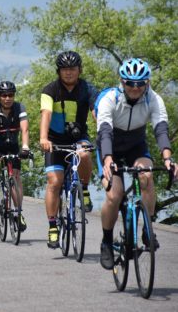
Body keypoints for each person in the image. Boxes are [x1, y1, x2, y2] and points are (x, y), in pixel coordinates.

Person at [96, 58, 177, 270]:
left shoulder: (153, 99)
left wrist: (168, 158)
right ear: (122, 82)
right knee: (114, 194)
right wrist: (107, 160)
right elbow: (104, 131)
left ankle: (147, 229)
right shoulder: (110, 98)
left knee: (146, 176)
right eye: (130, 83)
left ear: (147, 83)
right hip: (110, 146)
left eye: (140, 83)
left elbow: (160, 128)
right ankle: (106, 241)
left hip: (136, 145)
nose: (135, 88)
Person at [39, 51, 98, 249]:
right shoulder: (50, 90)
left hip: (78, 138)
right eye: (65, 69)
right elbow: (46, 114)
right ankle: (53, 227)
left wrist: (104, 132)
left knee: (85, 153)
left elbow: (96, 111)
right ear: (59, 71)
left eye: (73, 69)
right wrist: (43, 138)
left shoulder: (88, 89)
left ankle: (85, 189)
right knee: (54, 183)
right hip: (54, 142)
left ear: (79, 70)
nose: (69, 73)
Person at [0, 81, 30, 231]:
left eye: (10, 95)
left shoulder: (19, 108)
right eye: (4, 95)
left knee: (16, 178)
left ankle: (18, 213)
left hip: (13, 146)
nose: (7, 98)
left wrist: (25, 147)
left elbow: (25, 130)